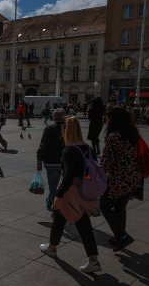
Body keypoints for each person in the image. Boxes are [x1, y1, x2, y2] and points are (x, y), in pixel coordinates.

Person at [39, 116, 102, 273]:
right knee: (61, 219)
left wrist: (58, 196)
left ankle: (93, 260)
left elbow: (67, 176)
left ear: (66, 131)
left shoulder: (69, 151)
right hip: (85, 191)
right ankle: (52, 247)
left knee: (80, 223)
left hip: (71, 194)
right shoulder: (88, 148)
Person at [99, 107, 143, 250]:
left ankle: (122, 236)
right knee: (120, 208)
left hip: (118, 179)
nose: (106, 120)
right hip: (132, 178)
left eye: (108, 117)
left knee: (104, 206)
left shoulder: (114, 137)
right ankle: (120, 238)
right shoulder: (133, 133)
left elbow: (106, 162)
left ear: (114, 120)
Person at [37, 108, 66, 212]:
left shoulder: (49, 129)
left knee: (53, 186)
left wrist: (39, 160)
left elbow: (43, 145)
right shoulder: (68, 128)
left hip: (50, 163)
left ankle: (53, 207)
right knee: (62, 187)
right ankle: (51, 203)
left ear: (53, 117)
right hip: (65, 163)